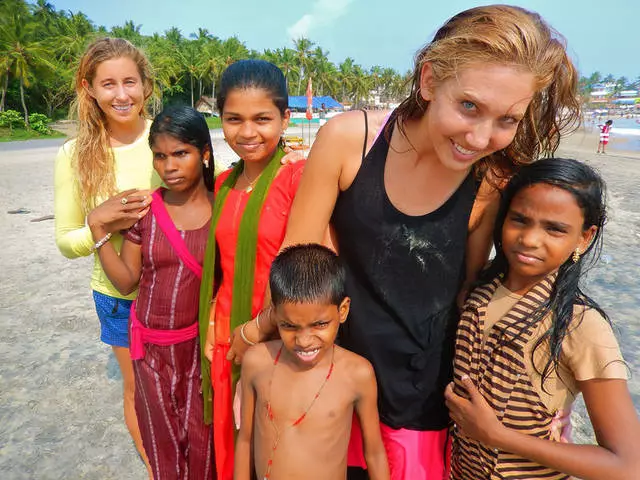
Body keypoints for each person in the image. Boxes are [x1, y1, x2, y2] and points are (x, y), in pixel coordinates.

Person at [230, 5, 582, 479]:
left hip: (419, 407)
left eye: (508, 119)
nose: (480, 137)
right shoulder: (352, 139)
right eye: (469, 106)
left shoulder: (491, 179)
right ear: (431, 80)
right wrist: (258, 338)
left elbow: (469, 295)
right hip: (327, 381)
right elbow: (298, 264)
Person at [445, 158, 640, 479]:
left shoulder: (580, 325)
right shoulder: (477, 292)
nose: (530, 239)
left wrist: (498, 436)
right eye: (519, 220)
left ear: (584, 237)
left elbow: (627, 466)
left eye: (554, 229)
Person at [90, 105, 215, 479]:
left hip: (199, 349)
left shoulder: (224, 206)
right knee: (160, 439)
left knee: (202, 437)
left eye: (181, 153)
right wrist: (97, 229)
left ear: (204, 153)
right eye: (160, 156)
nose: (169, 166)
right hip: (149, 350)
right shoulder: (147, 210)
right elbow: (127, 280)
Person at [54, 37, 159, 476]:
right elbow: (65, 241)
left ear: (145, 86)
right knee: (138, 389)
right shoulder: (74, 155)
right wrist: (99, 223)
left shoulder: (168, 135)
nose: (121, 95)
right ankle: (158, 469)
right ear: (89, 88)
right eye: (109, 84)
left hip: (178, 285)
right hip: (117, 295)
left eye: (130, 82)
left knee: (182, 385)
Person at [198, 59, 305, 480]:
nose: (247, 133)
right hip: (225, 340)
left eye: (262, 119)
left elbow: (309, 274)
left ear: (285, 118)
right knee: (232, 453)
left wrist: (255, 332)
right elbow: (221, 269)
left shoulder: (298, 178)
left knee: (276, 454)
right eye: (233, 119)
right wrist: (212, 326)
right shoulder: (224, 183)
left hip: (276, 340)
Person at [234, 244, 390, 480]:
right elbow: (245, 440)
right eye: (289, 326)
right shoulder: (257, 361)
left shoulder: (357, 373)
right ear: (275, 314)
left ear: (343, 310)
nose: (304, 341)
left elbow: (375, 453)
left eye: (320, 325)